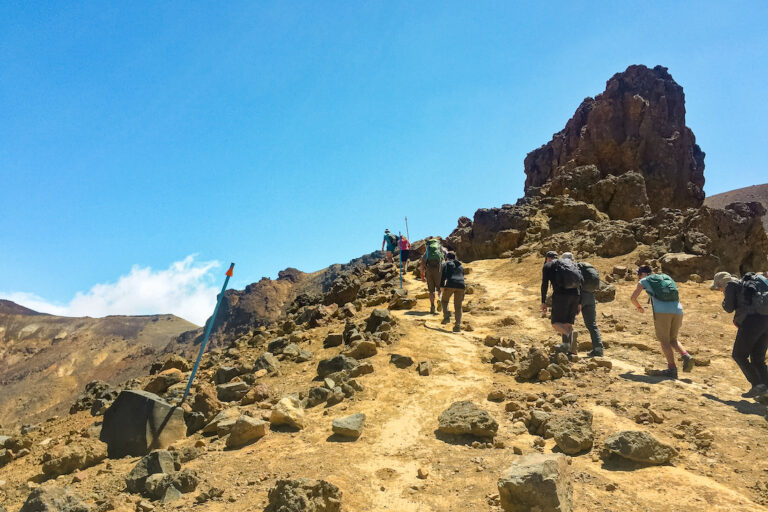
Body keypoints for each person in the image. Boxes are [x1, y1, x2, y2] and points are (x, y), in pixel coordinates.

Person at [630, 265, 694, 379]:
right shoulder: (665, 277)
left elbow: (633, 298)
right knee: (673, 339)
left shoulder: (644, 280)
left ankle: (672, 369)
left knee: (664, 341)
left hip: (662, 312)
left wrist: (639, 307)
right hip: (678, 309)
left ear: (643, 274)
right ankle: (686, 355)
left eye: (638, 274)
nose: (638, 277)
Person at [713, 271, 768, 398]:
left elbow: (728, 308)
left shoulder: (731, 285)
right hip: (766, 320)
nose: (720, 290)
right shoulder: (750, 283)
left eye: (719, 287)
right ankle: (766, 389)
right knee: (758, 358)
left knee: (739, 355)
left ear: (722, 284)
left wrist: (726, 297)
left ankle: (757, 385)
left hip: (752, 322)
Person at [561, 252, 604, 357]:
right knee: (591, 324)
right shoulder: (583, 267)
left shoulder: (569, 269)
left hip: (579, 297)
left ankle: (570, 349)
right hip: (590, 296)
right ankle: (598, 349)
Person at [541, 250, 582, 357]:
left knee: (555, 323)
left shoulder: (548, 266)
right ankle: (572, 351)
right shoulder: (570, 265)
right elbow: (580, 283)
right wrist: (579, 303)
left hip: (561, 295)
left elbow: (544, 285)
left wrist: (543, 302)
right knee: (568, 324)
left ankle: (571, 336)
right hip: (575, 295)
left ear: (548, 259)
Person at [440, 252, 465, 332]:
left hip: (451, 284)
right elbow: (462, 275)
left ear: (447, 257)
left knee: (444, 301)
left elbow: (443, 275)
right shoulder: (460, 265)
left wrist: (441, 286)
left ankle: (446, 317)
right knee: (458, 306)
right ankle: (458, 325)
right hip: (461, 285)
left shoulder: (446, 264)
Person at [420, 237, 446, 315]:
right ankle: (440, 299)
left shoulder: (427, 252)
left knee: (431, 291)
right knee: (440, 288)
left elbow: (422, 264)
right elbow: (446, 257)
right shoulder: (440, 249)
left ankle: (432, 306)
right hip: (438, 269)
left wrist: (422, 275)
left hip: (429, 270)